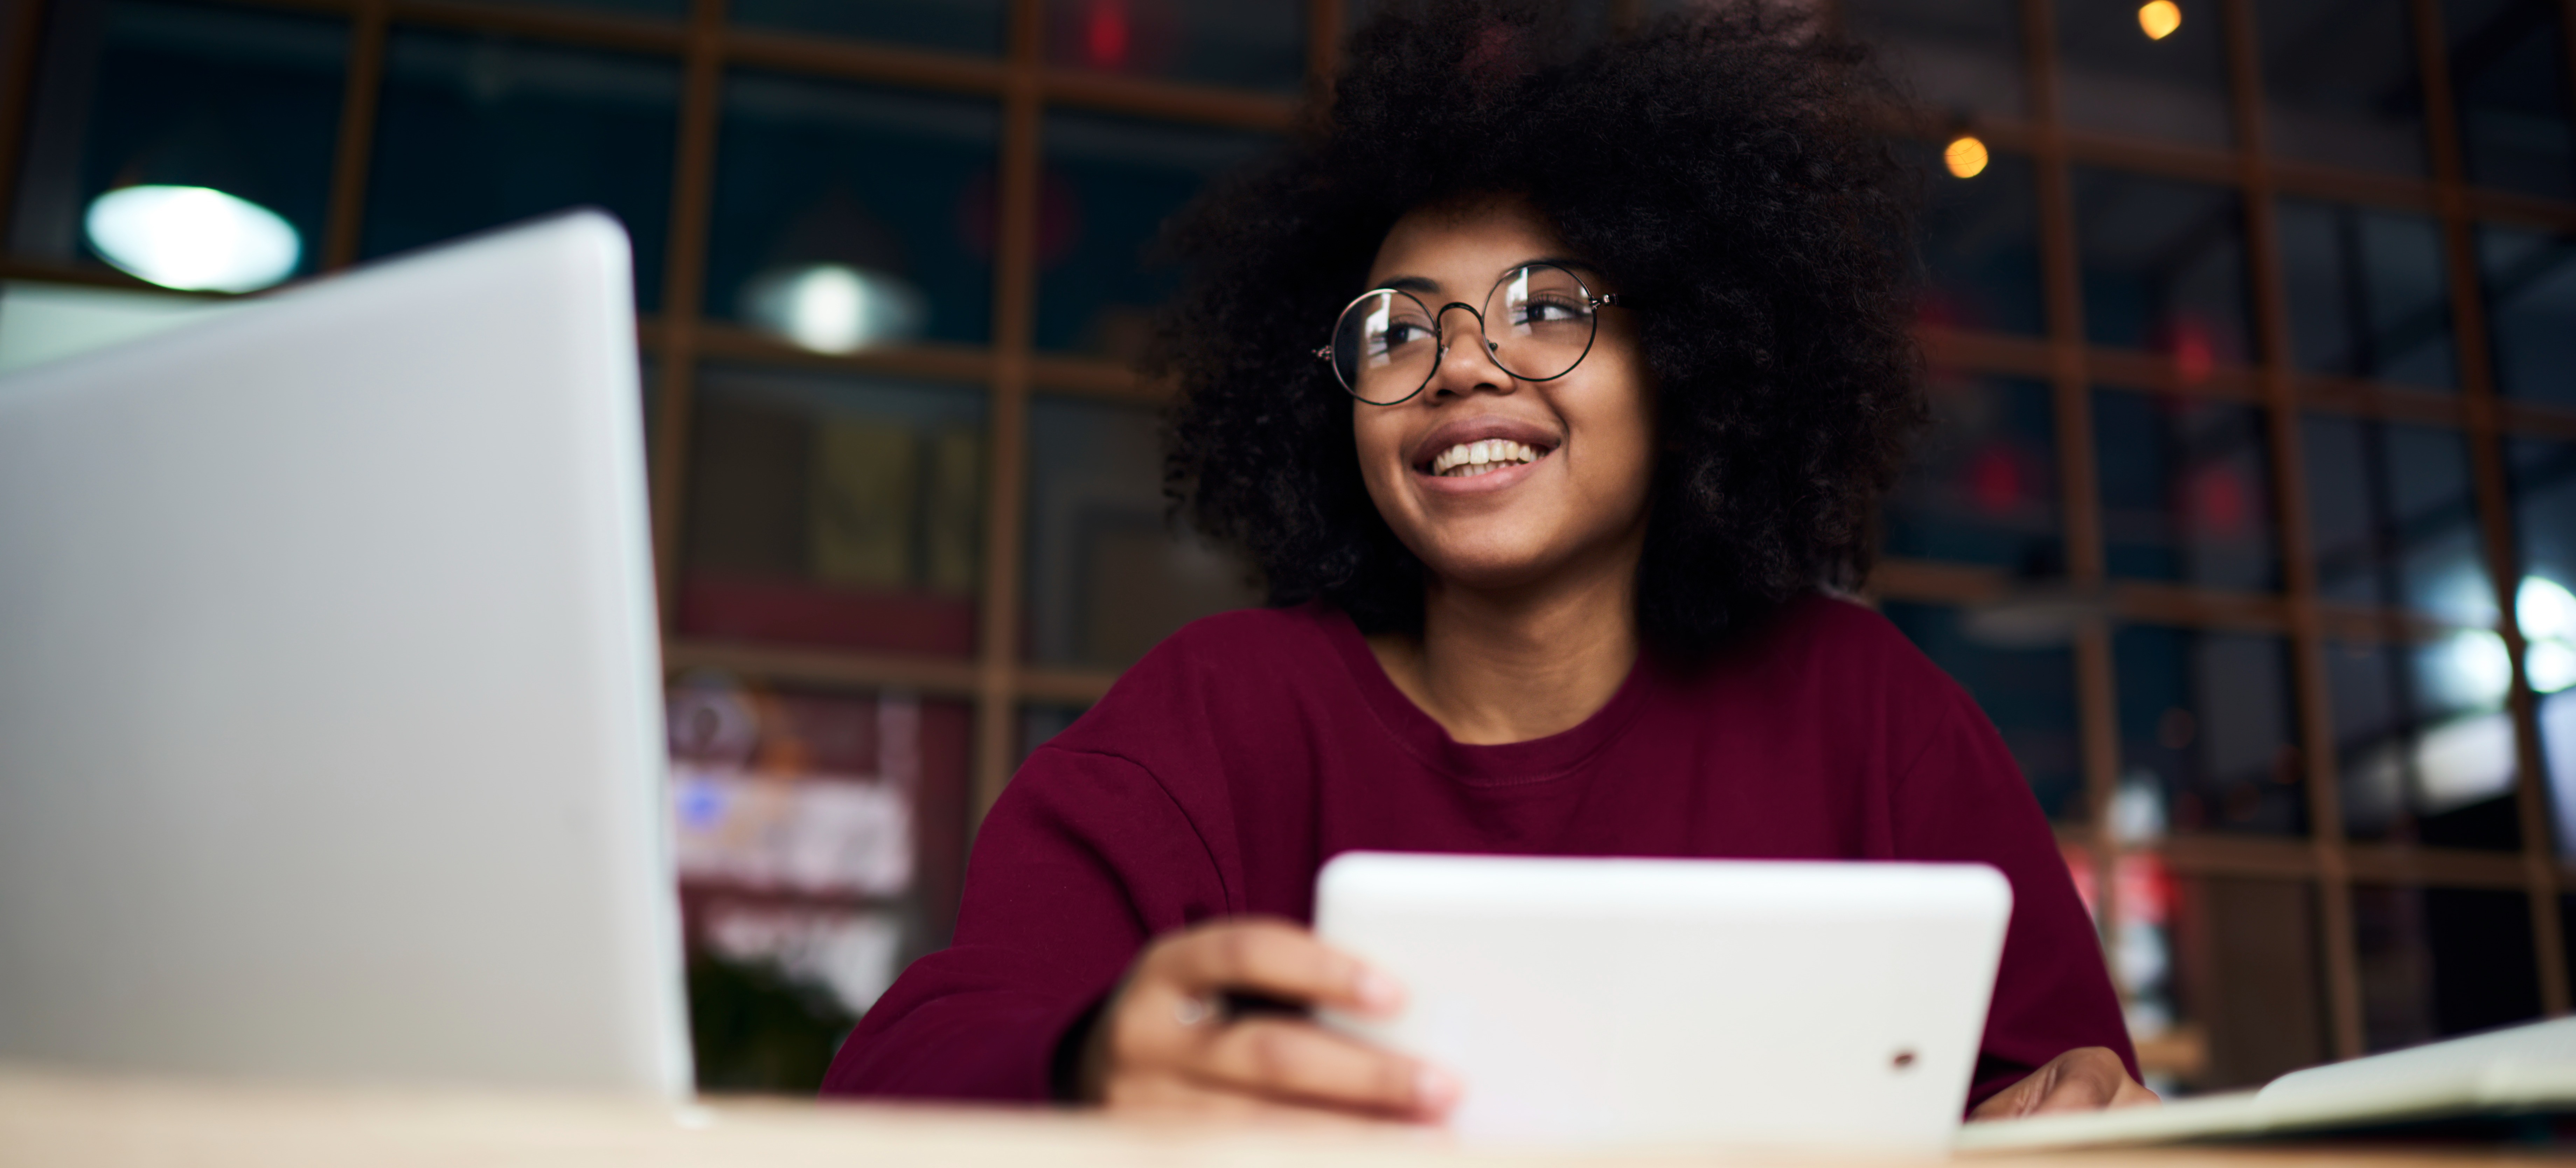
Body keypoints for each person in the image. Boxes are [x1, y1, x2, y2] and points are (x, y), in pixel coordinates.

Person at [822, 0, 2157, 1123]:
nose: (1460, 361)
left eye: (1548, 310)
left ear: (1686, 364)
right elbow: (904, 1071)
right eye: (1395, 332)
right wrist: (1086, 1066)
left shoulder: (1866, 711)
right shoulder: (1214, 718)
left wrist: (2079, 1108)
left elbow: (2075, 1096)